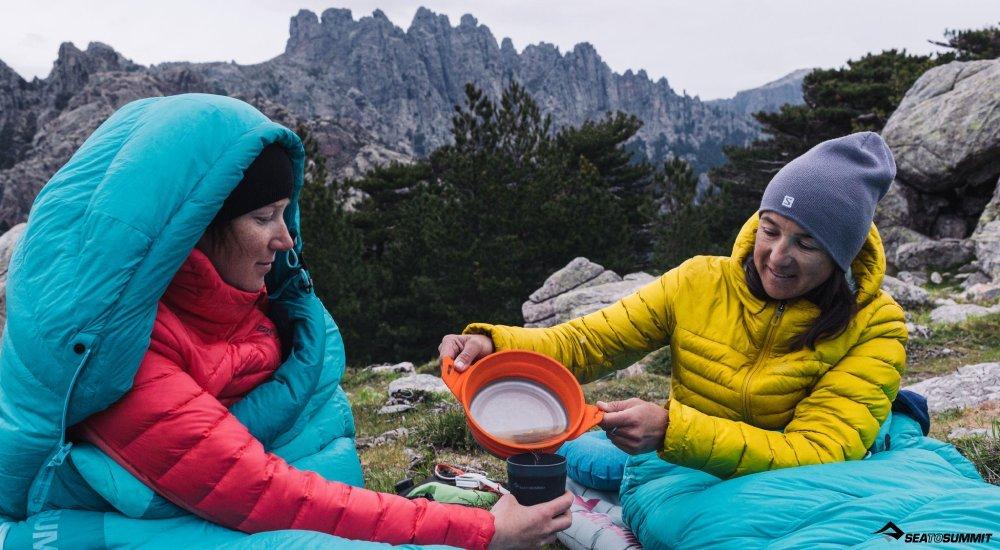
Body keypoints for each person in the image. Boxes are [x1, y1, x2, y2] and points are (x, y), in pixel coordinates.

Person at [27, 102, 570, 547]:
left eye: (286, 213)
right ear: (191, 232)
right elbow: (265, 493)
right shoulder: (131, 355)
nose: (286, 238)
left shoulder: (250, 307)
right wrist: (482, 531)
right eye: (263, 217)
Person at [440, 131, 907, 479]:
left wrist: (672, 432)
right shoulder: (700, 280)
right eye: (770, 230)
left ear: (840, 256)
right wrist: (495, 344)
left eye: (806, 243)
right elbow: (587, 343)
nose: (777, 257)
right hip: (689, 457)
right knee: (570, 448)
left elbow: (818, 451)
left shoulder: (875, 326)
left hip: (790, 476)